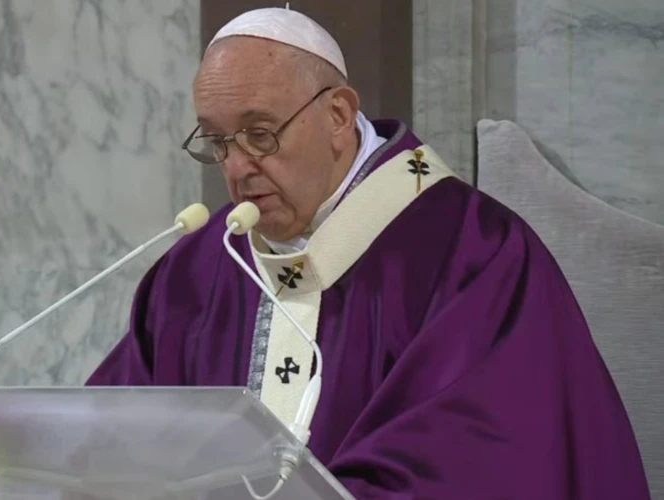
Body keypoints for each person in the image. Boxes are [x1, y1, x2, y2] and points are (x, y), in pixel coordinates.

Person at [87, 7, 651, 499]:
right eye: (217, 141)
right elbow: (110, 441)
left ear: (337, 116)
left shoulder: (472, 253)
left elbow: (479, 466)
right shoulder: (195, 275)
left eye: (261, 134)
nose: (236, 168)